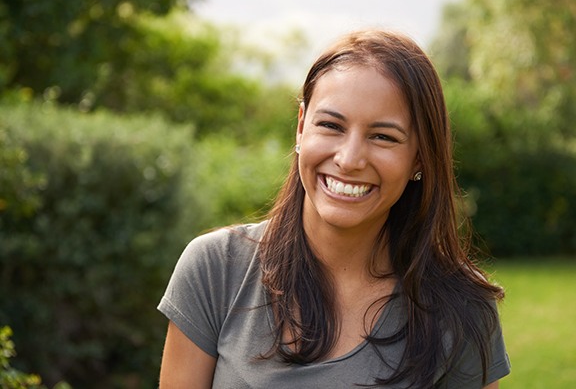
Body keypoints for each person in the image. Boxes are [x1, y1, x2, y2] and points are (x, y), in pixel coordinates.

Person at [157, 29, 511, 388]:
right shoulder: (214, 269)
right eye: (330, 125)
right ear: (300, 127)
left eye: (383, 136)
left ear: (419, 156)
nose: (349, 159)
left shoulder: (463, 310)